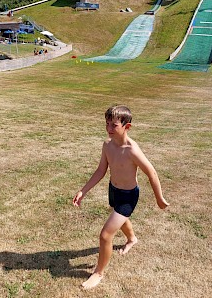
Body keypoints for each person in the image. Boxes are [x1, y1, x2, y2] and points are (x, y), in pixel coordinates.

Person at [73, 105, 170, 289]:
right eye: (107, 124)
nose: (109, 129)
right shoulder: (107, 145)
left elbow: (152, 173)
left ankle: (98, 273)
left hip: (128, 196)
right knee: (118, 218)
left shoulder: (132, 150)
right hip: (114, 190)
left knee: (105, 235)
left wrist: (159, 198)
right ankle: (132, 239)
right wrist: (83, 191)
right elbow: (101, 170)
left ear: (127, 127)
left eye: (114, 125)